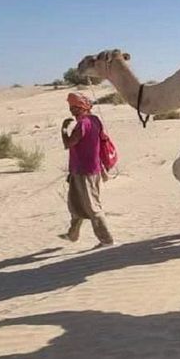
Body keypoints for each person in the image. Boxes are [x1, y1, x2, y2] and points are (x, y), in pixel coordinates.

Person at [59, 92, 114, 247]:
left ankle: (107, 240)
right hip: (85, 169)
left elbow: (68, 143)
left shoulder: (83, 123)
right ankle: (72, 234)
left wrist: (63, 130)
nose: (71, 110)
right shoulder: (95, 120)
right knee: (75, 203)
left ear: (81, 107)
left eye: (74, 107)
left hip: (85, 171)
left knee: (92, 206)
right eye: (70, 107)